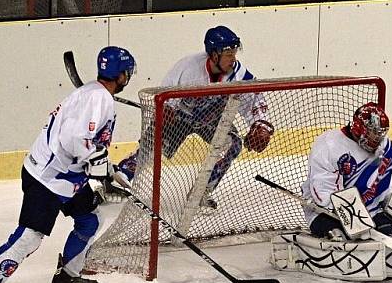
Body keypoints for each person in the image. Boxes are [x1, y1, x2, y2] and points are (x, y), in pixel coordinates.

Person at [0, 47, 137, 283]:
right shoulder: (99, 98)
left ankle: (67, 277)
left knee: (90, 218)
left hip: (66, 179)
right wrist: (97, 164)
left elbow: (85, 142)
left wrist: (107, 167)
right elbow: (72, 140)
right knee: (30, 237)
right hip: (47, 180)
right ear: (123, 74)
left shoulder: (94, 94)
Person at [114, 25, 274, 203]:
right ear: (214, 55)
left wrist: (261, 124)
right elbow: (164, 97)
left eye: (234, 53)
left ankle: (201, 192)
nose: (233, 59)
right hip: (181, 118)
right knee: (156, 139)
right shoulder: (187, 69)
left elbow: (254, 97)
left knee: (233, 144)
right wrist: (166, 111)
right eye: (229, 54)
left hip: (211, 121)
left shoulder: (237, 73)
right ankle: (124, 172)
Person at [302, 102, 392, 239]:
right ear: (359, 128)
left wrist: (389, 200)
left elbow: (377, 187)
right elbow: (323, 194)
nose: (377, 140)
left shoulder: (387, 149)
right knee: (339, 240)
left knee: (391, 234)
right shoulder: (328, 145)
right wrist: (355, 219)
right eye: (372, 134)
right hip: (326, 211)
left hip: (369, 211)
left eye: (380, 135)